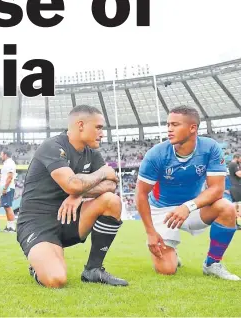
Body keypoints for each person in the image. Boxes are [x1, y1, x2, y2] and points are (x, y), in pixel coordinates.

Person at [16, 105, 128, 288]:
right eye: (99, 127)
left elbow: (112, 184)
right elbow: (72, 184)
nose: (102, 133)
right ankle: (39, 265)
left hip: (69, 218)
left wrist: (80, 194)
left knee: (112, 201)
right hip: (37, 223)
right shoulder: (52, 146)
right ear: (81, 125)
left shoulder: (91, 154)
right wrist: (101, 173)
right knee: (56, 280)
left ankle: (93, 269)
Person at [135, 105, 239, 280]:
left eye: (175, 124)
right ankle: (171, 253)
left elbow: (217, 189)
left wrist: (188, 206)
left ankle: (212, 264)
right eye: (168, 124)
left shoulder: (210, 148)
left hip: (192, 208)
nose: (169, 129)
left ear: (193, 128)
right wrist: (151, 232)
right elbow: (141, 194)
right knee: (167, 270)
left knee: (226, 207)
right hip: (162, 211)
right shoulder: (156, 154)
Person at [0, 150, 17, 232]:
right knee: (6, 207)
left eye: (1, 154)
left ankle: (12, 227)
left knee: (8, 206)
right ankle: (9, 226)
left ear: (5, 155)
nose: (0, 156)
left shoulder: (10, 163)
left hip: (8, 187)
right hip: (5, 187)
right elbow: (4, 176)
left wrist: (5, 188)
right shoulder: (6, 163)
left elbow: (10, 177)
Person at [227, 153, 241, 230]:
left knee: (236, 205)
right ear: (237, 158)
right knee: (237, 205)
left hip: (234, 186)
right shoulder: (234, 164)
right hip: (236, 187)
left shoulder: (233, 164)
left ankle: (235, 224)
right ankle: (234, 223)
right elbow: (239, 174)